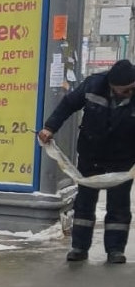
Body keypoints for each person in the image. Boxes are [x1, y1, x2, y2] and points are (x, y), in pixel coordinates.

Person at [39, 59, 135, 264]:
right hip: (92, 154)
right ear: (111, 84)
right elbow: (68, 105)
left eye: (131, 89)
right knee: (84, 203)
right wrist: (49, 128)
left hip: (124, 157)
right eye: (124, 90)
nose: (127, 94)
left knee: (119, 206)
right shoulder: (93, 85)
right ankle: (79, 248)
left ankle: (115, 250)